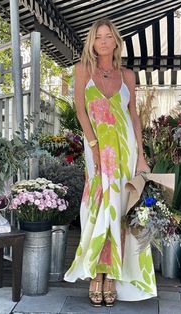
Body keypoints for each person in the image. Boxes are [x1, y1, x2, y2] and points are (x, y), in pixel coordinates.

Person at [64, 19, 157, 306]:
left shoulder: (128, 75)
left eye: (108, 37)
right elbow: (80, 110)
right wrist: (92, 145)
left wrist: (141, 154)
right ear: (91, 42)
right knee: (97, 209)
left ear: (116, 41)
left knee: (120, 210)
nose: (103, 41)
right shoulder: (82, 71)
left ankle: (112, 275)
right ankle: (97, 273)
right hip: (98, 152)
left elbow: (134, 119)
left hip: (126, 151)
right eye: (98, 37)